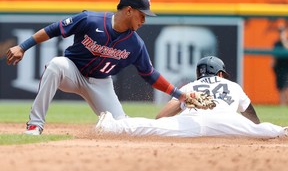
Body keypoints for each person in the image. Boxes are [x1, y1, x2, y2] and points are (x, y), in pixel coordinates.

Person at [6, 0, 191, 135]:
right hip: (72, 72)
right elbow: (54, 29)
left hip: (101, 83)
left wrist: (178, 94)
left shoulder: (136, 44)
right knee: (56, 64)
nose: (144, 20)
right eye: (142, 15)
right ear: (128, 10)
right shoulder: (90, 20)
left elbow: (150, 74)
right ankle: (35, 125)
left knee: (121, 126)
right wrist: (23, 47)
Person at [95, 56, 288, 138]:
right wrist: (255, 128)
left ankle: (111, 125)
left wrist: (183, 101)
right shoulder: (232, 85)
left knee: (149, 127)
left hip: (190, 121)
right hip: (227, 120)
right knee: (268, 131)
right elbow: (249, 113)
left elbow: (160, 118)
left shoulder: (188, 86)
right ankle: (283, 132)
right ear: (220, 74)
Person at [272, 26, 288, 105]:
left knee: (286, 87)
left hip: (286, 67)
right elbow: (274, 55)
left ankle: (285, 103)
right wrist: (273, 64)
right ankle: (282, 104)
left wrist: (284, 40)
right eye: (280, 32)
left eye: (283, 32)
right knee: (281, 87)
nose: (281, 33)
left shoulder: (286, 41)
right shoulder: (276, 43)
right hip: (279, 67)